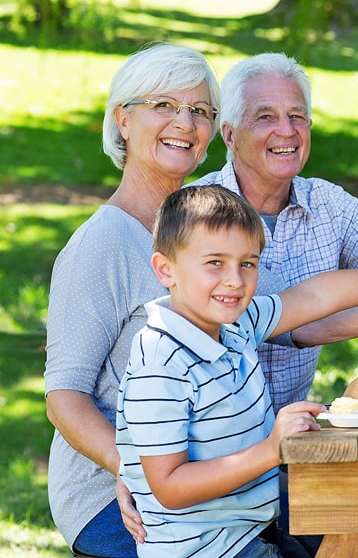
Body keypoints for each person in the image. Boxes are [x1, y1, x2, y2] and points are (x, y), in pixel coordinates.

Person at [115, 185, 358, 557]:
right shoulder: (161, 361)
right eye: (215, 262)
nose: (235, 280)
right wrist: (271, 450)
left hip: (261, 526)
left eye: (247, 263)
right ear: (164, 269)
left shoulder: (237, 325)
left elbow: (317, 296)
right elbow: (170, 487)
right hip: (211, 548)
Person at [43, 43, 236, 557]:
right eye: (164, 105)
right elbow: (64, 396)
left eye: (199, 111)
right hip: (113, 496)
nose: (185, 122)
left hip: (201, 479)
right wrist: (134, 468)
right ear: (122, 120)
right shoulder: (102, 243)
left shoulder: (203, 232)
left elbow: (296, 308)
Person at [194, 53, 358, 413]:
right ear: (229, 134)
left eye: (297, 116)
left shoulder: (328, 203)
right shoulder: (198, 212)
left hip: (294, 429)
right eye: (265, 117)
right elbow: (308, 323)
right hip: (212, 439)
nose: (287, 131)